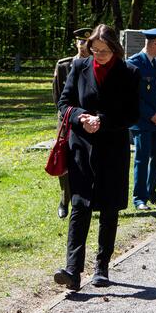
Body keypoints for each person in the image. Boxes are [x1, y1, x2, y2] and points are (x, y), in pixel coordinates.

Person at [54, 24, 140, 290]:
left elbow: (132, 114)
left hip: (112, 149)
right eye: (94, 50)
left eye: (104, 51)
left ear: (115, 49)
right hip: (81, 147)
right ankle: (72, 270)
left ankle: (101, 267)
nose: (98, 55)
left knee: (109, 208)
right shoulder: (79, 68)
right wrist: (81, 117)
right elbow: (64, 103)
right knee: (79, 206)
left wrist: (102, 120)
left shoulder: (129, 73)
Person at [127, 27, 156, 210]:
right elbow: (132, 97)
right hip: (142, 122)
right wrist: (151, 115)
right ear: (155, 43)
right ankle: (139, 198)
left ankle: (151, 191)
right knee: (142, 157)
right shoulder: (134, 63)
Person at [51, 27, 92, 219]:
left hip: (89, 120)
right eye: (81, 41)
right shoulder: (63, 65)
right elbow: (58, 95)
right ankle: (64, 199)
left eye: (87, 41)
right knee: (64, 160)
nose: (83, 45)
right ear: (76, 43)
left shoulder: (96, 64)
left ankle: (87, 198)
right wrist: (65, 117)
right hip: (67, 120)